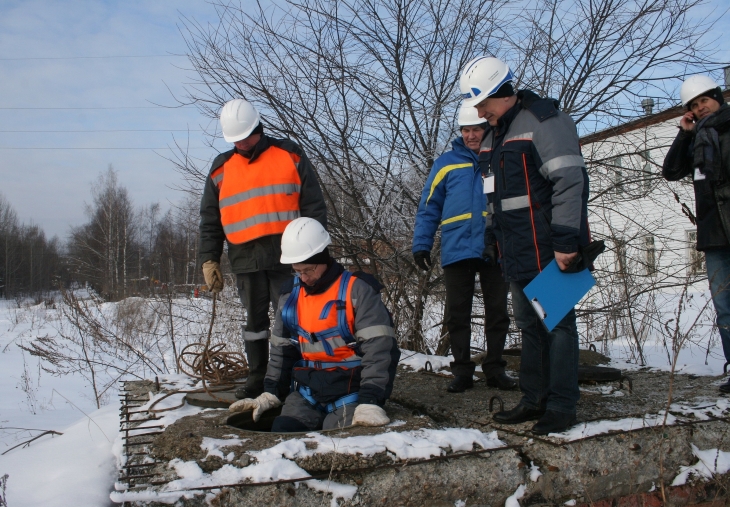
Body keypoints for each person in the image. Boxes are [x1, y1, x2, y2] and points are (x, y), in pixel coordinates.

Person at [459, 56, 590, 434]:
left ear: (502, 92)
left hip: (549, 247)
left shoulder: (544, 121)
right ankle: (534, 400)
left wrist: (567, 240)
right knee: (531, 328)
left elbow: (569, 182)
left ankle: (562, 406)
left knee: (558, 327)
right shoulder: (494, 134)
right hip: (514, 249)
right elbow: (494, 197)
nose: (480, 112)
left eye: (483, 104)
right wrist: (490, 238)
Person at [199, 99, 327, 399]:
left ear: (259, 127)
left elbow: (313, 205)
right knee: (255, 325)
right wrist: (209, 259)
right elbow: (210, 221)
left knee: (294, 318)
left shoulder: (290, 154)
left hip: (290, 256)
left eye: (246, 136)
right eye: (236, 140)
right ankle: (258, 378)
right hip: (245, 259)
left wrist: (315, 252)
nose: (242, 143)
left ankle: (299, 375)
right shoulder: (220, 169)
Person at [229, 217, 401, 431]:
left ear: (324, 259)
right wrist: (271, 392)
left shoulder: (357, 290)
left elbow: (380, 349)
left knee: (338, 443)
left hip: (351, 391)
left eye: (309, 270)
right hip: (306, 391)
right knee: (283, 432)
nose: (304, 278)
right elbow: (282, 351)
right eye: (297, 271)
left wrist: (370, 400)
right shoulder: (290, 295)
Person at [412, 103, 514, 393]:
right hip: (457, 248)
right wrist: (421, 244)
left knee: (498, 312)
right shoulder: (446, 163)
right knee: (457, 314)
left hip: (495, 246)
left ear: (487, 128)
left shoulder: (499, 156)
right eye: (466, 130)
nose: (471, 135)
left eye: (476, 129)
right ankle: (462, 372)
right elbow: (429, 206)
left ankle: (494, 369)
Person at [662, 75, 730, 393]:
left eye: (705, 100)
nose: (700, 107)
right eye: (694, 105)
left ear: (718, 97)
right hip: (715, 235)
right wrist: (684, 135)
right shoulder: (698, 138)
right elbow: (672, 171)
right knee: (725, 307)